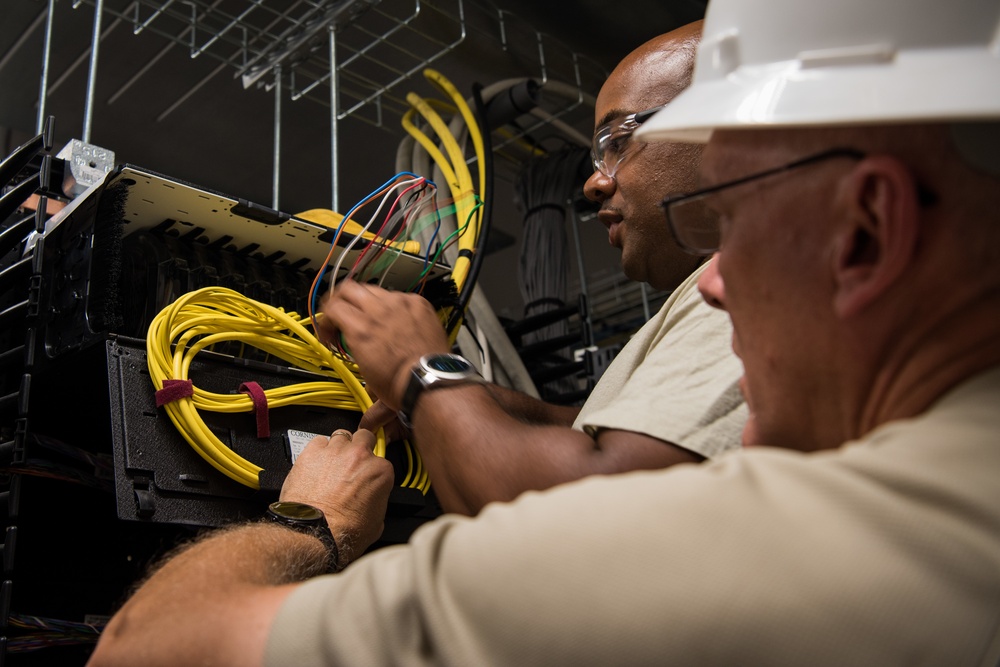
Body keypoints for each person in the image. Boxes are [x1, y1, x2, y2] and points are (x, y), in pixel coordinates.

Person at [88, 0, 1000, 665]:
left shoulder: (755, 556)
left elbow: (146, 649)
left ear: (869, 229)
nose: (716, 282)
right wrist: (482, 395)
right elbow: (605, 434)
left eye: (738, 219)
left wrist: (319, 513)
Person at [319, 20, 745, 516]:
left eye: (618, 142)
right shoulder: (709, 297)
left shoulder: (741, 288)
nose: (593, 183)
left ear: (726, 130)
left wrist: (418, 371)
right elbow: (593, 430)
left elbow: (592, 510)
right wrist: (455, 399)